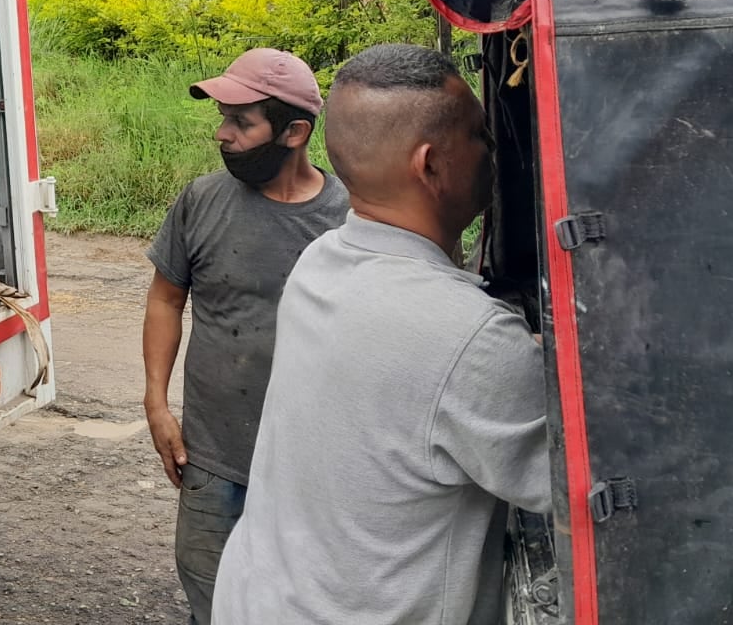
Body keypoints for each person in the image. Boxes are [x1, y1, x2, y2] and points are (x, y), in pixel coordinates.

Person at [214, 43, 551, 625]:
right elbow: (583, 483)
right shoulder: (468, 337)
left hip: (257, 602)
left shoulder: (321, 261)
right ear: (431, 165)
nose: (493, 151)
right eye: (480, 135)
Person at [143, 48, 349, 625]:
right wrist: (156, 403)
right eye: (222, 119)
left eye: (240, 121)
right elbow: (165, 299)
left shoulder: (350, 218)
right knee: (213, 601)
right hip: (213, 456)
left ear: (294, 133)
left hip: (316, 467)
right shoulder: (201, 201)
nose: (222, 134)